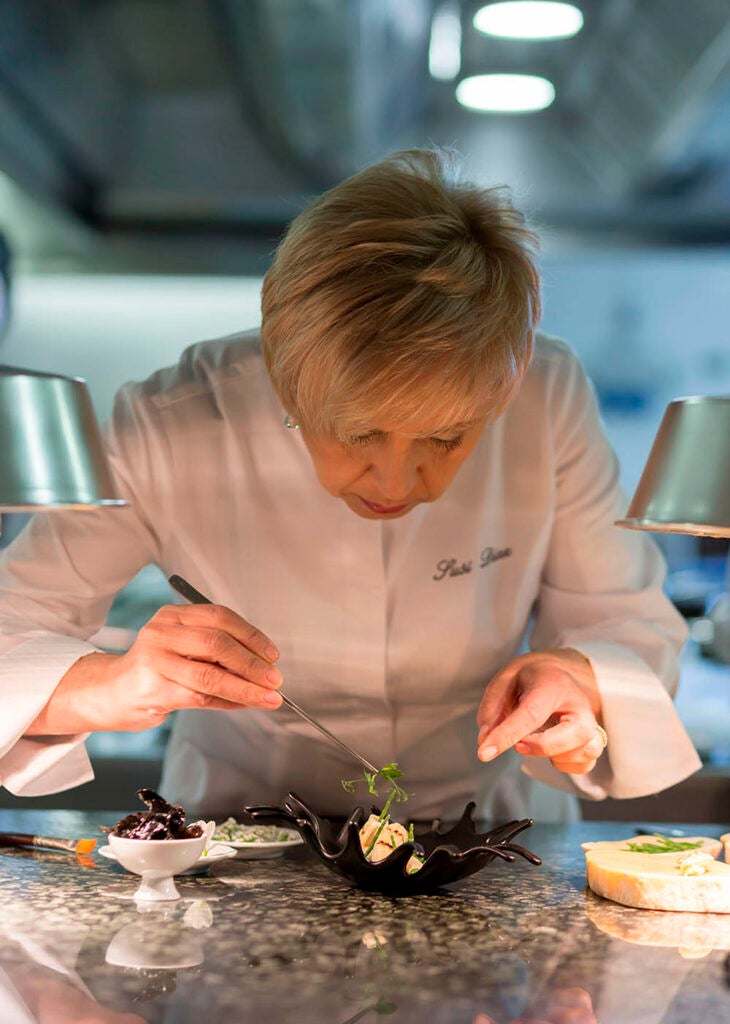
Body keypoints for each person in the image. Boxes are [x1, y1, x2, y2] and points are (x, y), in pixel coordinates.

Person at [0, 149, 700, 821]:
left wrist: (578, 683)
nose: (399, 483)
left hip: (491, 825)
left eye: (446, 439)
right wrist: (110, 683)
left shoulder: (545, 398)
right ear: (285, 377)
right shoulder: (168, 421)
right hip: (240, 832)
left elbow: (621, 619)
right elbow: (13, 623)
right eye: (360, 435)